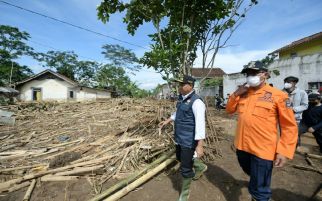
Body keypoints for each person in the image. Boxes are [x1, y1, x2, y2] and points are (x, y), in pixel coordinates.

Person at [226, 61, 298, 201]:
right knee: (253, 175)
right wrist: (236, 93)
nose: (249, 76)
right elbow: (229, 110)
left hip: (262, 150)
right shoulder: (243, 93)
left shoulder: (278, 96)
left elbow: (289, 126)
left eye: (253, 73)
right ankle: (258, 187)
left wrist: (284, 151)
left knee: (259, 190)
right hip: (242, 146)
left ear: (264, 74)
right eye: (247, 74)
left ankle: (260, 195)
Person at [159, 75, 207, 201]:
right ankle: (200, 167)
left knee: (185, 168)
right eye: (178, 84)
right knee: (179, 157)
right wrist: (168, 120)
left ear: (190, 86)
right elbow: (178, 112)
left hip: (189, 140)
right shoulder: (181, 99)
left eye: (182, 84)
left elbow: (201, 124)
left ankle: (184, 194)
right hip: (179, 137)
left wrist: (199, 145)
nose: (179, 87)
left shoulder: (197, 102)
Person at [283, 76, 308, 147]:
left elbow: (305, 105)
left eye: (288, 82)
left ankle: (295, 146)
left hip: (295, 119)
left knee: (294, 135)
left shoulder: (302, 93)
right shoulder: (281, 92)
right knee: (284, 134)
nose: (286, 83)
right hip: (283, 118)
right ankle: (285, 148)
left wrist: (293, 109)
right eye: (285, 82)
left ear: (294, 83)